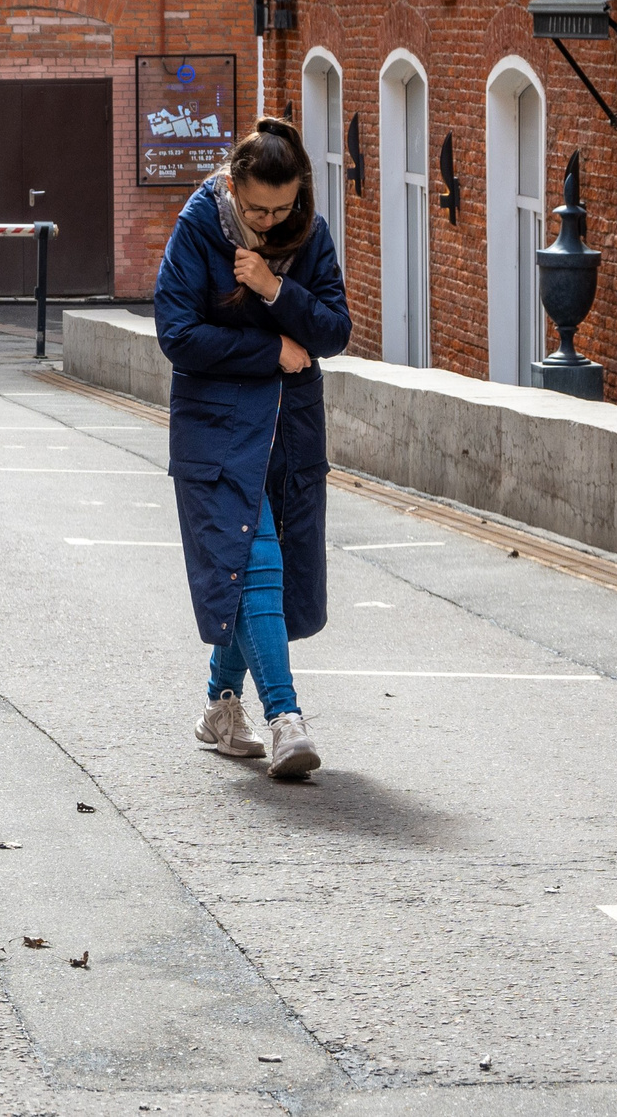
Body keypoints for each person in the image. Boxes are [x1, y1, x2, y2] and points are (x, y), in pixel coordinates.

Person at [153, 118, 351, 780]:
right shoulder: (197, 228)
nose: (270, 221)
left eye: (282, 208)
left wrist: (274, 288)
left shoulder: (310, 234)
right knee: (255, 558)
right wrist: (270, 350)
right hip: (215, 430)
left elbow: (335, 330)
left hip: (289, 431)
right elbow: (178, 334)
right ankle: (285, 717)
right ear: (233, 187)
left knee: (259, 567)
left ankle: (220, 704)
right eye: (258, 208)